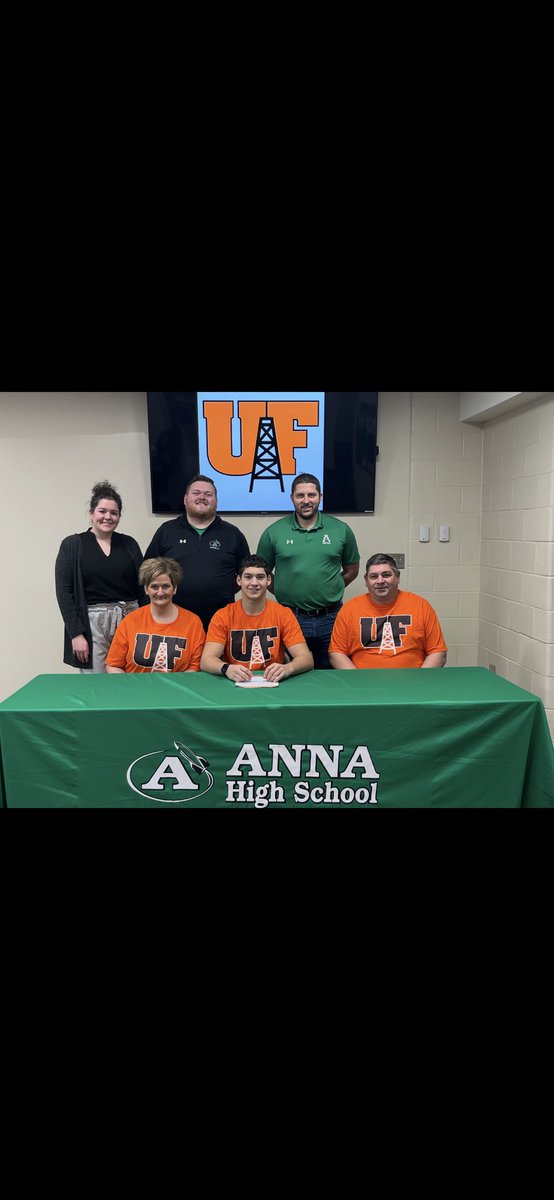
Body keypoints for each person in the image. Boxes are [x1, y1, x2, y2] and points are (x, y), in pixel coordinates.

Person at [256, 473, 360, 668]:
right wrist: (283, 589)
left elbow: (352, 568)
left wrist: (332, 586)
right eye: (300, 495)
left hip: (331, 617)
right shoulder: (274, 532)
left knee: (331, 676)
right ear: (292, 498)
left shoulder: (340, 529)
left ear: (320, 496)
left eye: (311, 495)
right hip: (290, 617)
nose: (306, 501)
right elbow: (262, 573)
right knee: (291, 673)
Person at [55, 480, 143, 673]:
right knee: (97, 682)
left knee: (133, 676)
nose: (108, 517)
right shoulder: (72, 545)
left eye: (114, 512)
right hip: (93, 621)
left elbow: (143, 586)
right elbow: (64, 592)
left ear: (119, 516)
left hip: (130, 617)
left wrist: (149, 623)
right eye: (102, 511)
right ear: (91, 514)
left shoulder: (129, 544)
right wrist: (76, 634)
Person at [143, 474, 250, 631]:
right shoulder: (167, 531)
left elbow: (245, 575)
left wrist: (221, 590)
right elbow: (148, 573)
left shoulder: (233, 534)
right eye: (196, 493)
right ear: (185, 499)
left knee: (215, 656)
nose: (202, 497)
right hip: (173, 620)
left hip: (220, 619)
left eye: (208, 494)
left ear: (216, 501)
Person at [200, 555, 314, 683]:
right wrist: (227, 668)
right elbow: (206, 660)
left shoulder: (283, 614)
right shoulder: (223, 615)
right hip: (234, 683)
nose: (254, 583)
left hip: (272, 682)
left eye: (260, 577)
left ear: (269, 580)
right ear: (239, 580)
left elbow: (306, 658)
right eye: (248, 577)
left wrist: (288, 668)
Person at [329, 554, 447, 669]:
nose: (380, 581)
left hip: (412, 682)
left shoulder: (421, 606)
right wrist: (357, 681)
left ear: (398, 577)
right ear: (366, 580)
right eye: (374, 576)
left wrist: (420, 682)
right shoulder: (350, 609)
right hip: (364, 683)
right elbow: (336, 653)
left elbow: (438, 652)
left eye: (386, 575)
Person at [106, 558, 205, 673]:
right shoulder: (130, 621)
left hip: (175, 690)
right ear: (146, 589)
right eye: (154, 587)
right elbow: (113, 665)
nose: (160, 593)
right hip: (136, 689)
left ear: (175, 588)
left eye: (166, 586)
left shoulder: (193, 622)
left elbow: (194, 667)